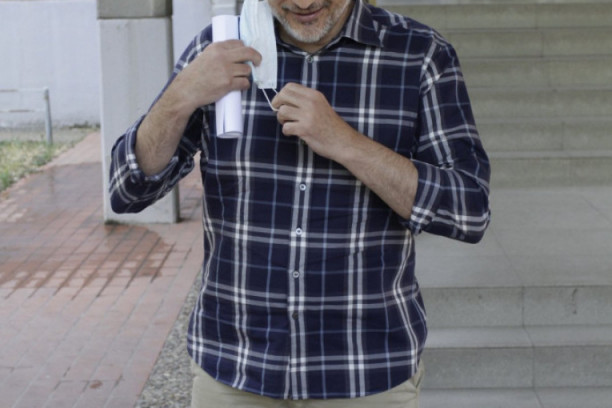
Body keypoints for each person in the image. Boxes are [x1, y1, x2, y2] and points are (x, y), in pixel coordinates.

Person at [109, 0, 491, 406]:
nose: (304, 3)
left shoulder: (420, 54)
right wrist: (180, 95)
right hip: (235, 366)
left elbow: (468, 210)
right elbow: (128, 189)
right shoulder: (219, 49)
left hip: (366, 369)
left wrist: (345, 142)